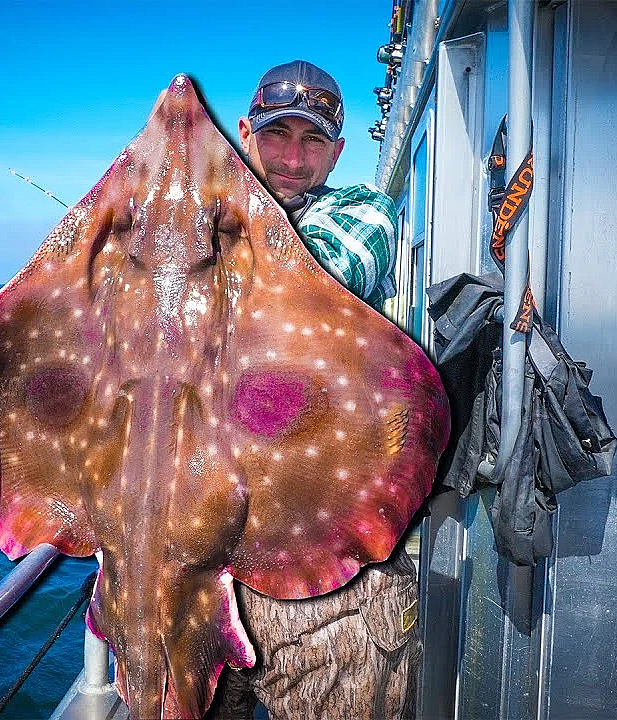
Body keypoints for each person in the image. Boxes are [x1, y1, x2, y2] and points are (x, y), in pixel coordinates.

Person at [207, 60, 421, 720]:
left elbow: (312, 279)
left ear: (338, 151)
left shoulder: (362, 215)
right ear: (244, 133)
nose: (293, 159)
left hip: (325, 565)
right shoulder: (199, 225)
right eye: (276, 136)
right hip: (199, 557)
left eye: (312, 141)